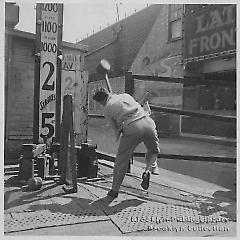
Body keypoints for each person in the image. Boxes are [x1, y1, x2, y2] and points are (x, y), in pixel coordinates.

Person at [92, 88, 160, 199]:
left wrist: (119, 134)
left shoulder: (107, 109)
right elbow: (137, 106)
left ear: (101, 102)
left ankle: (114, 190)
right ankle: (147, 170)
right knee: (153, 151)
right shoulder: (125, 96)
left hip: (132, 127)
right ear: (109, 93)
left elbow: (116, 128)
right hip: (148, 122)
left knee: (121, 161)